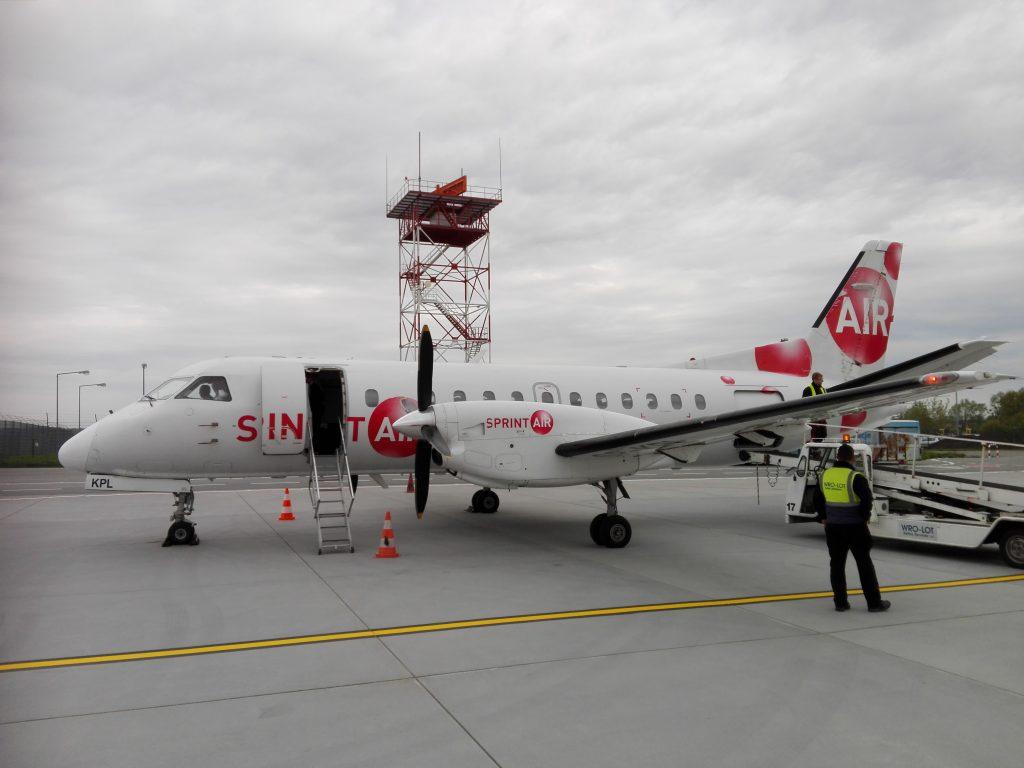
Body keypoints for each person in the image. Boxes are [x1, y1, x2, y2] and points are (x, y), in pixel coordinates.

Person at [813, 443, 891, 612]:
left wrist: (823, 517)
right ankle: (874, 603)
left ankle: (840, 603)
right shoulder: (856, 477)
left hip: (833, 527)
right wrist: (864, 518)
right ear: (852, 458)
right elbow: (867, 500)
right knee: (864, 565)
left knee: (837, 565)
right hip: (855, 527)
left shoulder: (825, 475)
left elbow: (817, 498)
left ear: (837, 457)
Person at [802, 371, 828, 441]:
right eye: (820, 379)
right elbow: (804, 404)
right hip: (813, 418)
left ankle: (817, 448)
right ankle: (813, 448)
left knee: (823, 435)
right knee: (815, 436)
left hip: (822, 417)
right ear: (815, 379)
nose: (822, 381)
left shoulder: (823, 389)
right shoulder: (808, 390)